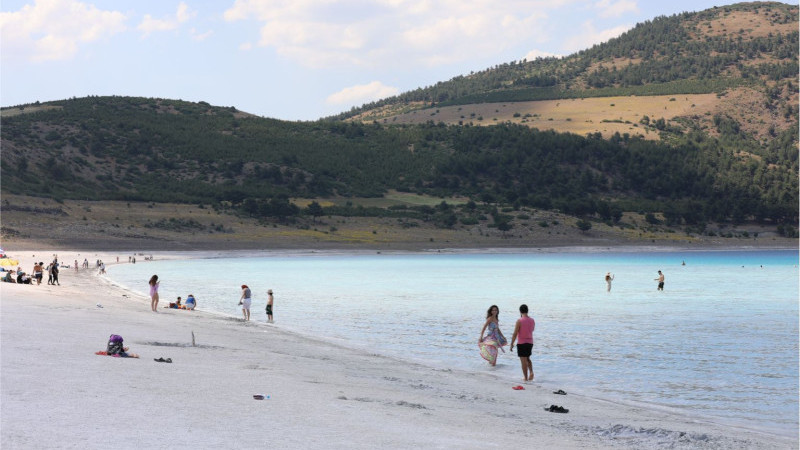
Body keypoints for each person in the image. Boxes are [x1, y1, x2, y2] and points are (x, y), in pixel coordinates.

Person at [509, 304, 536, 382]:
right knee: (528, 358)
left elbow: (515, 333)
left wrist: (511, 344)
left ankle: (525, 377)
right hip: (530, 342)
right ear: (527, 311)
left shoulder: (519, 321)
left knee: (523, 361)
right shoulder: (532, 320)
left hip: (522, 343)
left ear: (520, 311)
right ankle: (531, 372)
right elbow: (532, 329)